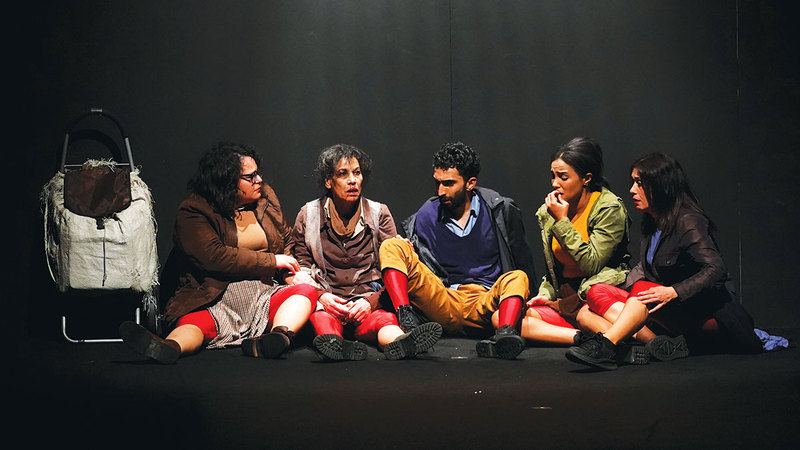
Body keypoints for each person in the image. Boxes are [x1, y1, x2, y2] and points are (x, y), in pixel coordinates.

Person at [119, 142, 319, 364]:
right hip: (214, 293)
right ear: (227, 181)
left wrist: (290, 273)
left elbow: (285, 239)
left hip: (264, 291)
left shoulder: (265, 197)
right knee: (195, 323)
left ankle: (278, 338)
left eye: (257, 173)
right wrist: (271, 260)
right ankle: (170, 347)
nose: (259, 180)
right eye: (250, 177)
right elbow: (213, 256)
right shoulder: (194, 210)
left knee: (306, 292)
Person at [580, 152, 763, 366]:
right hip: (667, 311)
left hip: (705, 314)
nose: (632, 190)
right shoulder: (653, 221)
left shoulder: (688, 220)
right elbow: (645, 268)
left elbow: (716, 268)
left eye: (639, 183)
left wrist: (675, 291)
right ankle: (656, 345)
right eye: (633, 182)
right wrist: (618, 293)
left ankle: (607, 347)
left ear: (661, 186)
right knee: (590, 303)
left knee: (641, 290)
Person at [378, 142, 536, 359]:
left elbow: (522, 258)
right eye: (437, 183)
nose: (440, 191)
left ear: (470, 183)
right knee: (391, 245)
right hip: (444, 298)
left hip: (484, 300)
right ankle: (408, 323)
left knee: (518, 276)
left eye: (449, 183)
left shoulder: (498, 210)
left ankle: (504, 336)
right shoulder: (426, 215)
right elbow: (417, 262)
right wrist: (407, 248)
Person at [292, 144, 442, 361]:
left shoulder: (379, 213)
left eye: (357, 173)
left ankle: (403, 342)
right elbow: (302, 270)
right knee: (321, 320)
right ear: (328, 181)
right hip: (328, 303)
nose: (352, 180)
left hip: (367, 302)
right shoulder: (308, 215)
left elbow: (393, 267)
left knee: (385, 321)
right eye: (343, 174)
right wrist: (322, 297)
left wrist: (369, 303)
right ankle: (336, 347)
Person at [513, 137, 650, 370]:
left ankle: (618, 345)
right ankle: (586, 340)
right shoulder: (548, 212)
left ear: (586, 178)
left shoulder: (608, 208)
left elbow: (591, 264)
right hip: (565, 301)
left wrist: (562, 222)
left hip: (593, 300)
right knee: (505, 319)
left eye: (563, 177)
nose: (555, 183)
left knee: (586, 315)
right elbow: (553, 268)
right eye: (553, 176)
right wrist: (545, 294)